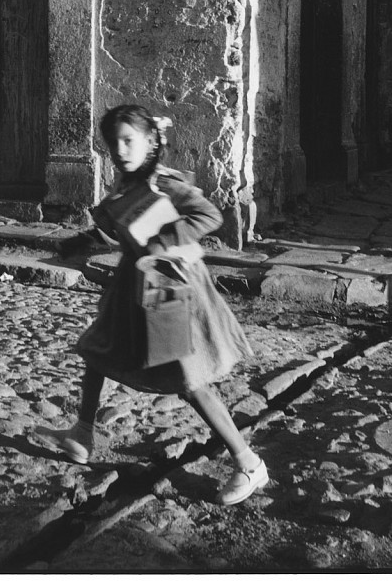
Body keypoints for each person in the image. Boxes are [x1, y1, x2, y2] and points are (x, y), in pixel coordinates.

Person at [41, 103, 268, 505]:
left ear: (150, 141)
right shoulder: (126, 186)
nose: (121, 150)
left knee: (188, 381)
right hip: (131, 287)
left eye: (129, 141)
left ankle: (248, 462)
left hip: (170, 286)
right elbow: (118, 230)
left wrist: (166, 240)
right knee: (98, 351)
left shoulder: (167, 184)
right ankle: (82, 433)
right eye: (114, 144)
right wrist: (84, 241)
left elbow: (208, 215)